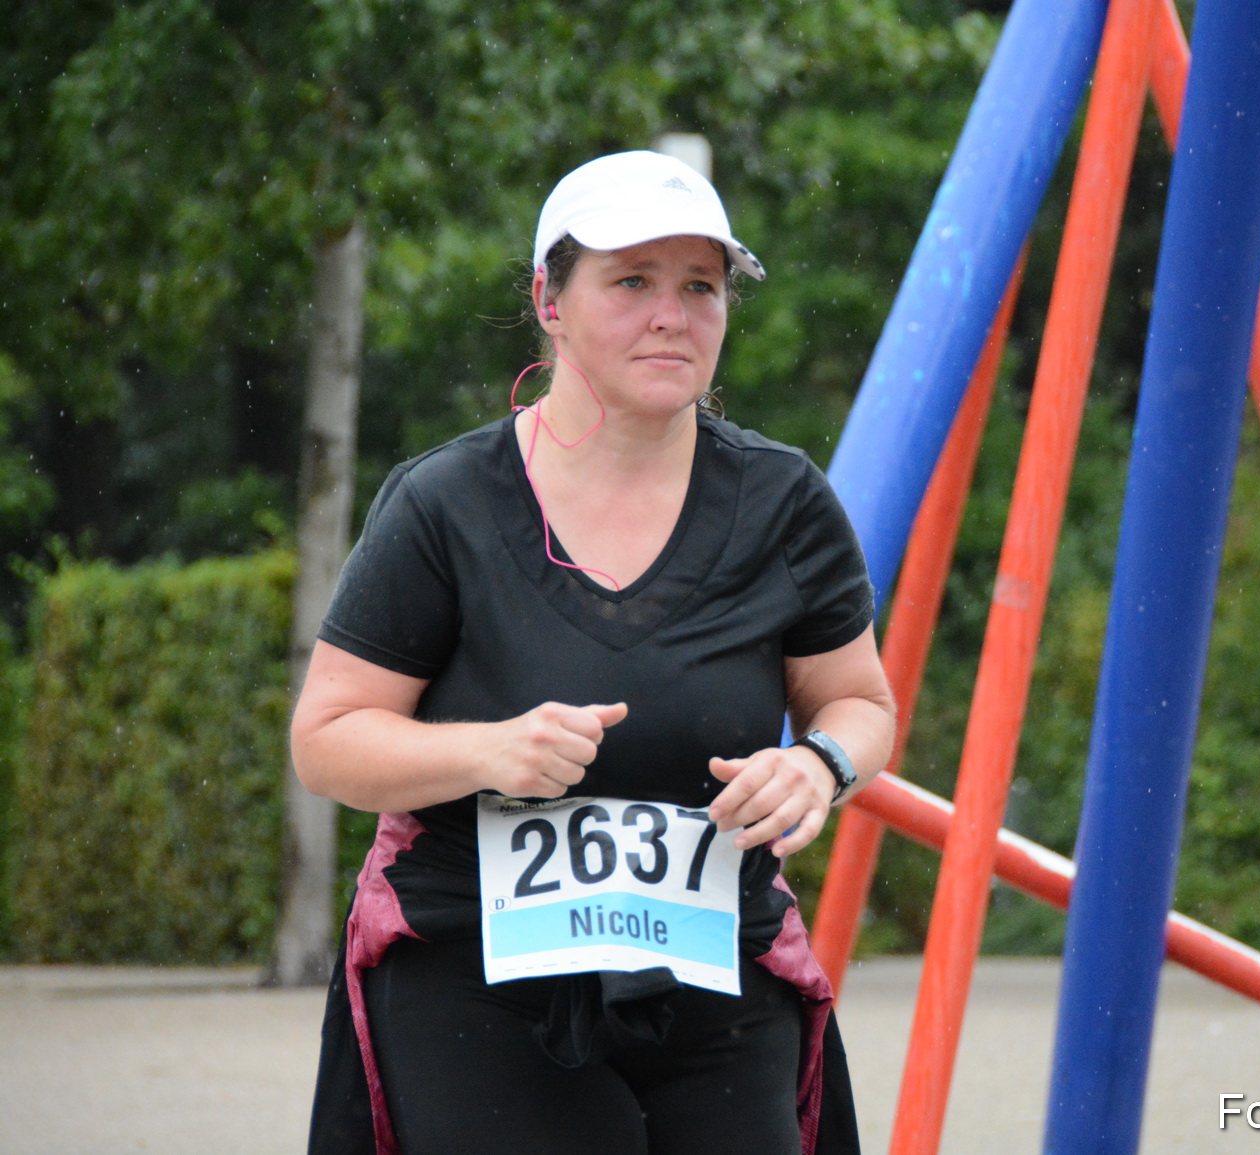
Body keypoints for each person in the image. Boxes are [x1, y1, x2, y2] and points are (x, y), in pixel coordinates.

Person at [294, 150, 895, 1155]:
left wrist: (817, 764)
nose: (672, 314)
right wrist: (484, 755)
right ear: (549, 299)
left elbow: (859, 704)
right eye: (631, 282)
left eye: (699, 286)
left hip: (713, 959)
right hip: (476, 968)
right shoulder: (444, 503)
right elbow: (327, 741)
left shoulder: (786, 500)